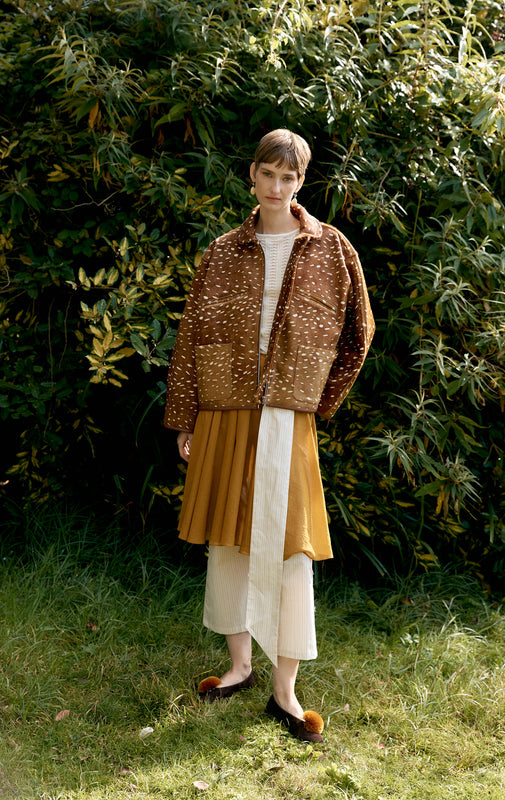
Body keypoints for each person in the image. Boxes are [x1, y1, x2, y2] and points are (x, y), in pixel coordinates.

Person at [164, 129, 375, 742]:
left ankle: (285, 689)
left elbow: (359, 333)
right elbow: (191, 333)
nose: (277, 187)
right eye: (268, 174)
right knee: (227, 536)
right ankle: (238, 667)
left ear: (301, 182)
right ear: (252, 175)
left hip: (288, 410)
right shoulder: (223, 251)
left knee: (288, 546)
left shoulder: (332, 249)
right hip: (224, 407)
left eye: (289, 177)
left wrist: (318, 401)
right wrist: (185, 417)